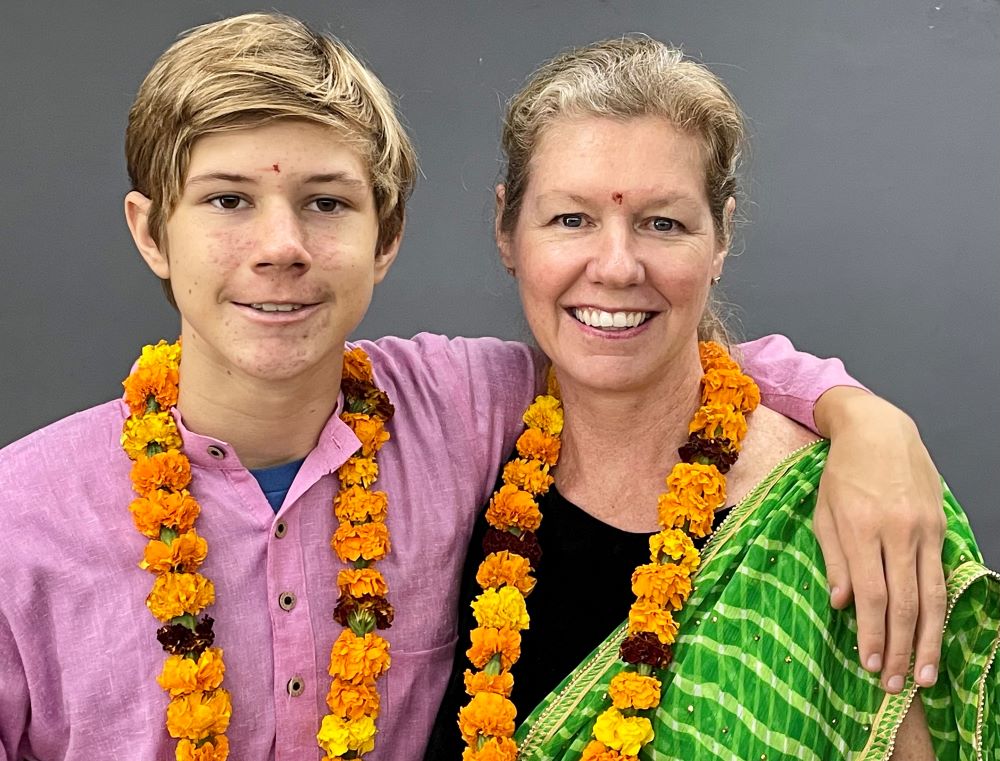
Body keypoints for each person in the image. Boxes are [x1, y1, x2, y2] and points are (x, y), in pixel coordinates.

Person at [0, 13, 957, 761]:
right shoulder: (21, 521)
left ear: (388, 237)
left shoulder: (455, 407)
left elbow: (652, 356)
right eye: (226, 200)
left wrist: (863, 418)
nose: (281, 247)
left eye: (326, 202)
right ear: (148, 230)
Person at [429, 36, 999, 760]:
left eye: (662, 223)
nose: (615, 266)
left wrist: (866, 421)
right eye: (570, 219)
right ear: (507, 229)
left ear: (721, 238)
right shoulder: (455, 455)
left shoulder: (849, 508)